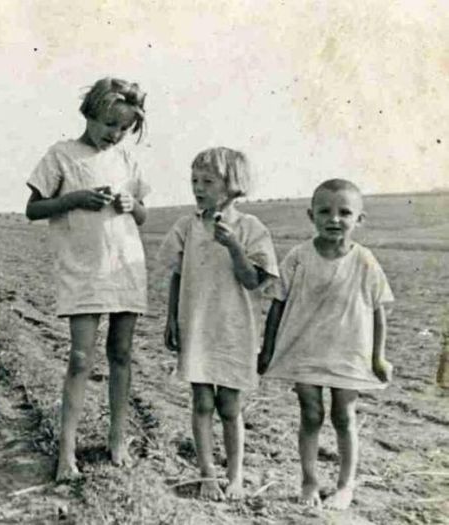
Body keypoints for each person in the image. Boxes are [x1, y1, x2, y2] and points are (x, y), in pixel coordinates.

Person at [25, 77, 150, 482]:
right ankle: (67, 452)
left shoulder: (127, 160)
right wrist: (75, 199)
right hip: (83, 269)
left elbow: (143, 214)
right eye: (108, 124)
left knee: (121, 355)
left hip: (125, 265)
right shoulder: (61, 155)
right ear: (90, 113)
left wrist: (133, 204)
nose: (114, 134)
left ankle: (117, 440)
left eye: (123, 128)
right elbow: (33, 208)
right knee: (80, 359)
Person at [258, 178, 394, 509]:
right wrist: (267, 349)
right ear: (311, 215)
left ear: (359, 219)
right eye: (325, 211)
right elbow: (277, 304)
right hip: (305, 349)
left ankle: (345, 485)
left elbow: (378, 312)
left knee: (344, 415)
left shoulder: (364, 260)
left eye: (344, 212)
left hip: (349, 351)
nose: (334, 219)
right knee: (311, 413)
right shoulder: (298, 256)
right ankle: (309, 482)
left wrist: (378, 358)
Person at [158, 147, 279, 500]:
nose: (198, 187)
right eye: (194, 180)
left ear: (233, 185)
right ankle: (207, 474)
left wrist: (234, 247)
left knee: (230, 406)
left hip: (233, 330)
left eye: (208, 181)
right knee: (201, 403)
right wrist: (171, 319)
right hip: (196, 325)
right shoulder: (187, 226)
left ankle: (236, 476)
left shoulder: (251, 228)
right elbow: (177, 275)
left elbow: (253, 281)